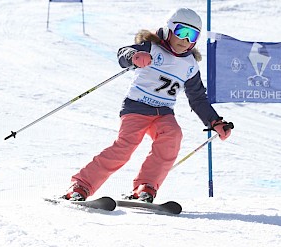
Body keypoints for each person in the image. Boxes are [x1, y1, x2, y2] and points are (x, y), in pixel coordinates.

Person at [64, 7, 233, 203]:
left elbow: (197, 98)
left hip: (163, 113)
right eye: (181, 32)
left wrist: (215, 121)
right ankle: (80, 186)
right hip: (137, 107)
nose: (185, 40)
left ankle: (146, 187)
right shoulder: (152, 48)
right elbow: (123, 53)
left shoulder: (190, 65)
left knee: (172, 137)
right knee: (124, 148)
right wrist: (133, 57)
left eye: (192, 35)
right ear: (169, 29)